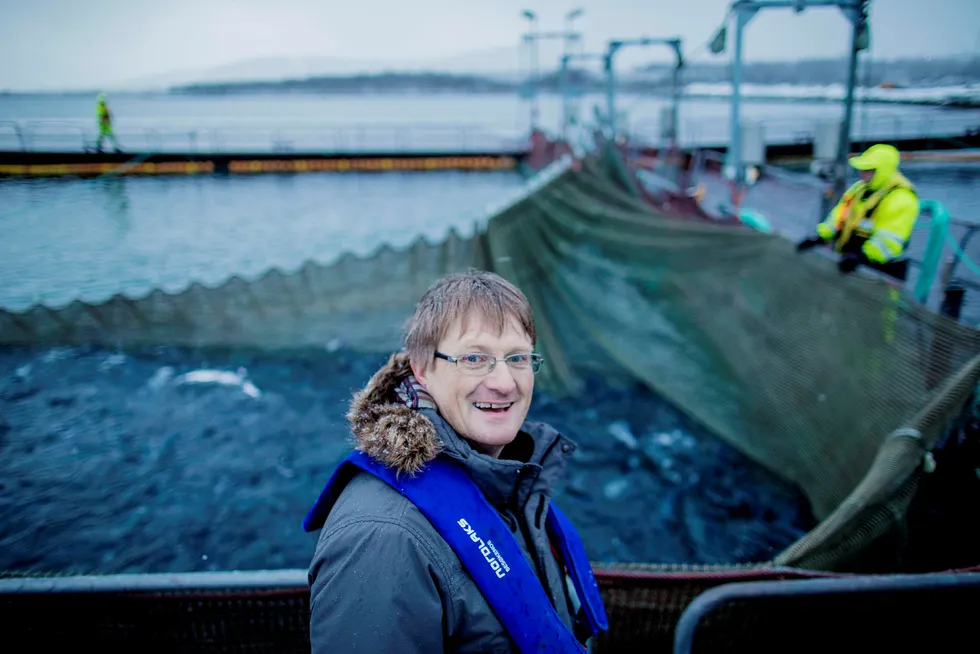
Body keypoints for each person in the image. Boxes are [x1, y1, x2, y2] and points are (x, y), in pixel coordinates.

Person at [304, 270, 607, 653]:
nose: (503, 382)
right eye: (475, 358)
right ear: (421, 368)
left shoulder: (509, 482)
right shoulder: (384, 537)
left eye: (517, 358)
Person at [796, 143, 919, 280]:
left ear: (883, 170)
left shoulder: (901, 198)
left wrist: (861, 256)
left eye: (868, 170)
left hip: (881, 273)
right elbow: (838, 218)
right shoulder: (858, 189)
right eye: (862, 169)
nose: (862, 173)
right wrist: (819, 237)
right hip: (850, 265)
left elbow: (889, 241)